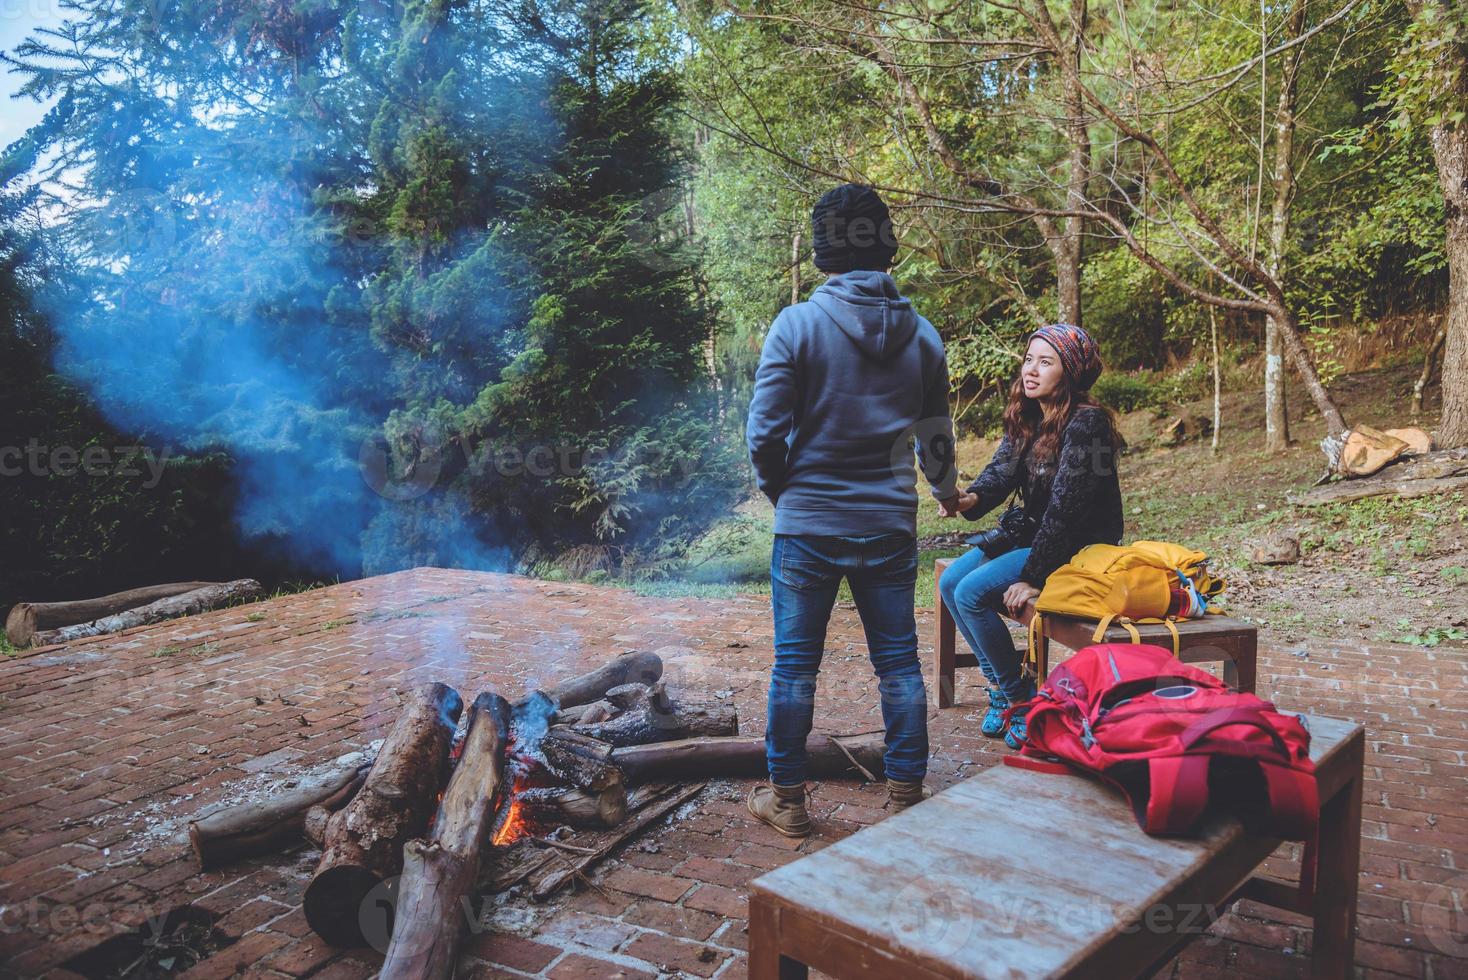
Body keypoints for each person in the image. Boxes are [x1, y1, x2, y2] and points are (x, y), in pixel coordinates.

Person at [745, 183, 960, 837]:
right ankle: (904, 791)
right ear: (884, 246)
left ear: (824, 250)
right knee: (897, 661)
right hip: (888, 526)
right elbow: (936, 437)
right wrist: (946, 494)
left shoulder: (796, 327)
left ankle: (786, 802)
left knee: (793, 666)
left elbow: (764, 435)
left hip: (807, 525)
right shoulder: (922, 337)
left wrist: (784, 492)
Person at [938, 323, 1123, 749]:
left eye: (1046, 362)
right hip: (1037, 535)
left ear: (1071, 372)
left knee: (970, 593)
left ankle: (1020, 698)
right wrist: (967, 499)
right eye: (1029, 359)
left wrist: (1034, 576)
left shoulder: (1088, 423)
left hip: (1078, 545)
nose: (1032, 370)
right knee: (952, 582)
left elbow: (1068, 509)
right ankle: (1004, 687)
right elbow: (1002, 472)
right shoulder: (1030, 415)